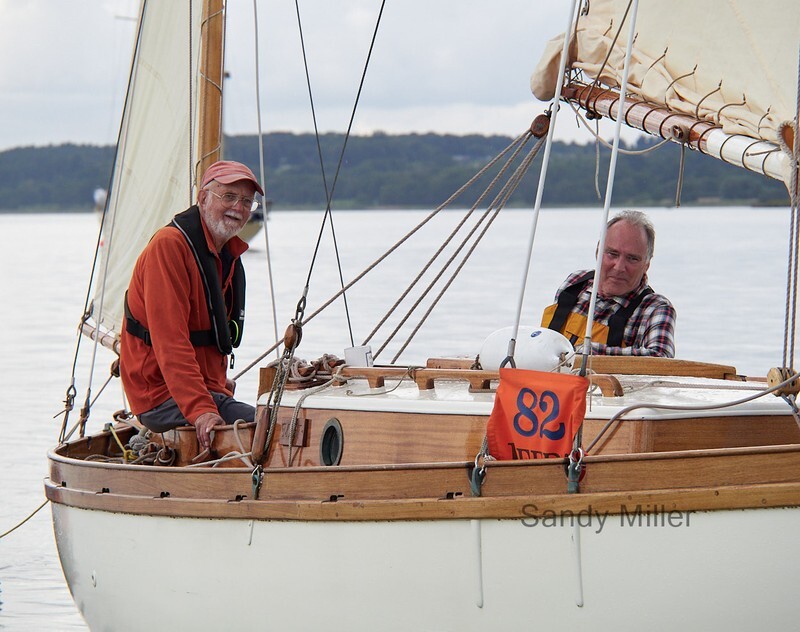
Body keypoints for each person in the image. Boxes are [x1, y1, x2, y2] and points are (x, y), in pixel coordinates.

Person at [120, 160, 263, 450]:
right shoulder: (169, 247)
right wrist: (202, 409)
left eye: (247, 201)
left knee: (283, 415)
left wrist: (216, 392)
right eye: (229, 196)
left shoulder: (225, 255)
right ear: (202, 198)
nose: (239, 207)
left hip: (203, 391)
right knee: (273, 425)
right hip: (160, 396)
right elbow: (170, 341)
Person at [541, 210, 676, 357]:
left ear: (646, 265)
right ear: (598, 251)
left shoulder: (655, 308)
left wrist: (587, 352)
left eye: (632, 258)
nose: (619, 267)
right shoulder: (574, 283)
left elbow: (662, 359)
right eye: (612, 254)